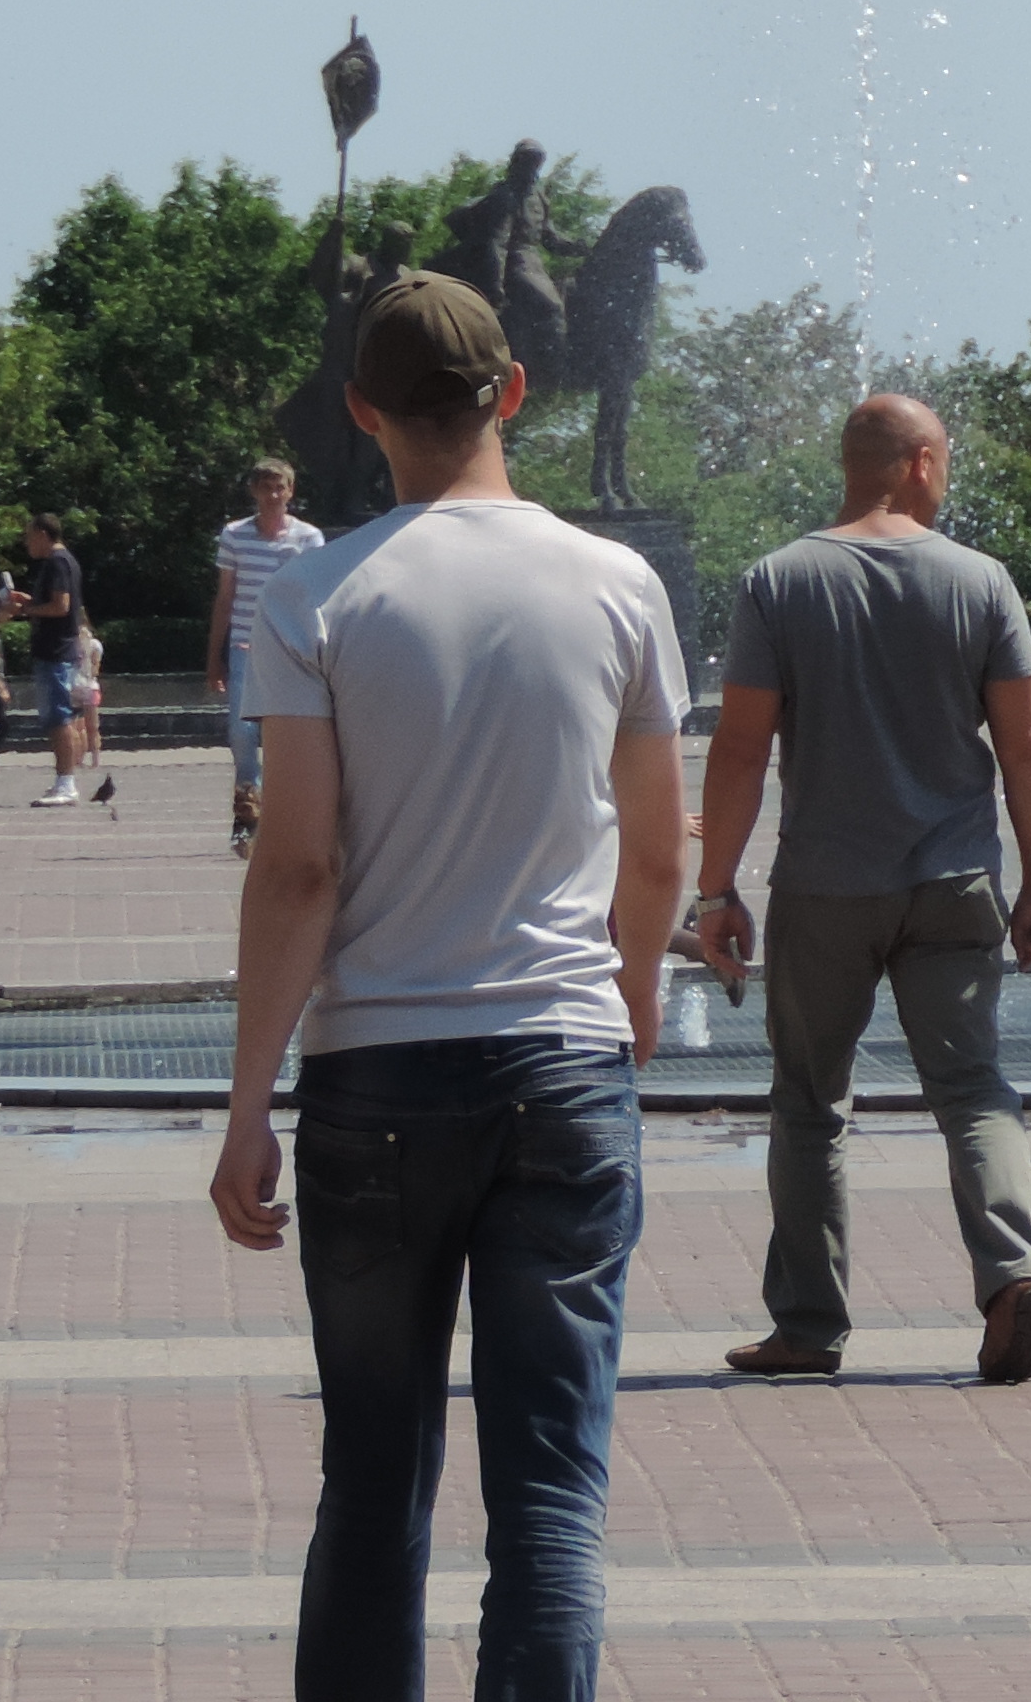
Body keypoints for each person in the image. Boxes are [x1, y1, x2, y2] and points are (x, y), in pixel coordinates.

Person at [211, 272, 693, 1702]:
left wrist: (248, 1105)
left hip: (374, 1077)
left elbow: (298, 867)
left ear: (362, 413)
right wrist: (635, 989)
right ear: (515, 393)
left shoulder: (317, 594)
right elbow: (659, 848)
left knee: (371, 1480)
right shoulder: (618, 585)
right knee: (551, 1491)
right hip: (563, 1064)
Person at [689, 392, 1031, 1385]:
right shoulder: (982, 581)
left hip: (826, 886)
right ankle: (1013, 1270)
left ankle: (809, 1326)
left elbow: (739, 749)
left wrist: (715, 890)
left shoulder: (779, 580)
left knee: (811, 1104)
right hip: (954, 880)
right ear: (923, 463)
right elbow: (1028, 748)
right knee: (974, 1089)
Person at [206, 457, 329, 857]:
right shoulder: (234, 535)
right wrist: (214, 655)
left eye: (280, 488)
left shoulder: (308, 538)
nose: (273, 496)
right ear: (254, 492)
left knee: (288, 734)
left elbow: (315, 597)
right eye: (266, 488)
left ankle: (285, 822)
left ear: (290, 492)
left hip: (291, 648)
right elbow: (226, 597)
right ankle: (246, 816)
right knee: (242, 734)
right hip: (245, 647)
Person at [14, 508, 105, 806]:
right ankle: (65, 780)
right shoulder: (65, 561)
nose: (27, 543)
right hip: (59, 650)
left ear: (43, 534)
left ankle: (66, 783)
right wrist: (32, 602)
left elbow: (61, 606)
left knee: (58, 718)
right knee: (63, 717)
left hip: (55, 651)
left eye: (29, 536)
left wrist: (27, 610)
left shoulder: (57, 561)